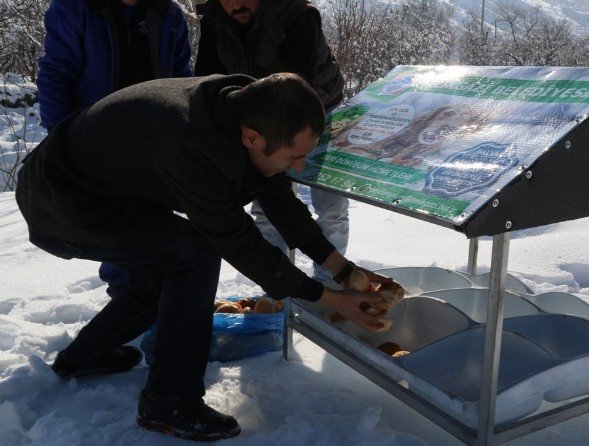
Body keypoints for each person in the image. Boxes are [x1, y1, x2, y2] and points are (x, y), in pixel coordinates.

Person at [16, 73, 389, 441]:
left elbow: (282, 204)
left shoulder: (248, 111)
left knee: (166, 267)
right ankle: (169, 402)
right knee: (193, 254)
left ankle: (84, 357)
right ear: (251, 138)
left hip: (102, 188)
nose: (299, 168)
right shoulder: (193, 145)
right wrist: (332, 299)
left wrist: (343, 270)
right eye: (294, 157)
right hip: (61, 202)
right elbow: (239, 242)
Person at [36, 0, 193, 300]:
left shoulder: (168, 13)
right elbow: (56, 75)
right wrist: (58, 141)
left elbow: (182, 78)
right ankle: (127, 309)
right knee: (119, 235)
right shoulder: (75, 9)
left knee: (158, 231)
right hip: (95, 143)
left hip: (155, 142)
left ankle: (153, 308)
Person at [194, 0, 349, 283]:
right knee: (266, 206)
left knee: (330, 206)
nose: (236, 4)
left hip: (319, 110)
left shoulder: (297, 15)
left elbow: (296, 91)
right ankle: (277, 287)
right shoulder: (215, 20)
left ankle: (332, 283)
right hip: (256, 120)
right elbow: (207, 84)